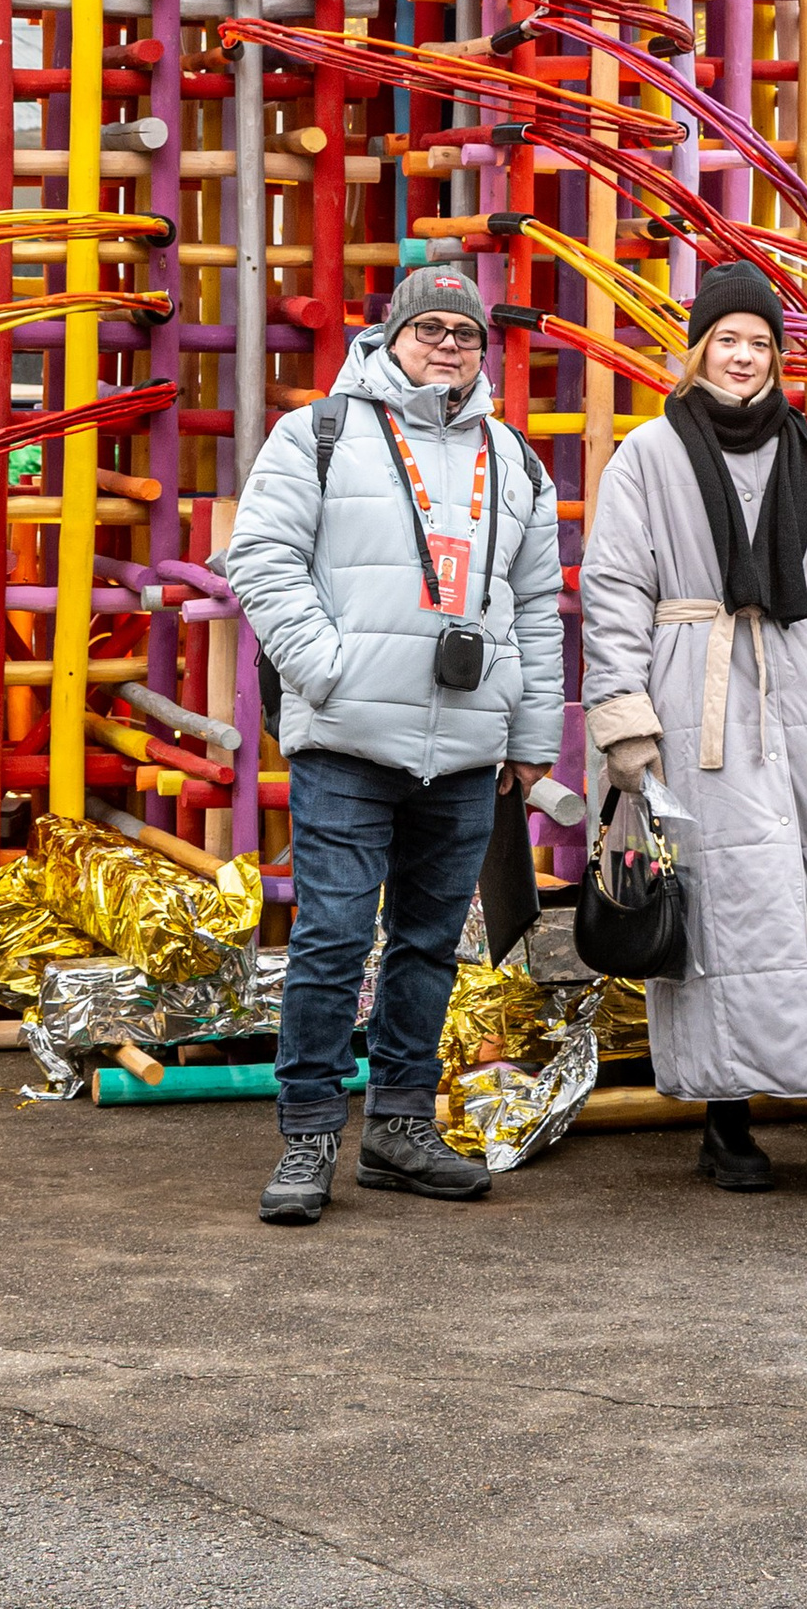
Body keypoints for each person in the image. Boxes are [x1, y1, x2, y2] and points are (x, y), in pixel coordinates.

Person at [222, 258, 565, 1227]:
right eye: (431, 331)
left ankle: (400, 1128)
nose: (447, 348)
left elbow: (537, 607)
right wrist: (326, 668)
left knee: (426, 945)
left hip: (463, 748)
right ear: (389, 336)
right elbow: (260, 556)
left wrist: (530, 732)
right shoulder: (320, 434)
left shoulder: (514, 460)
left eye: (465, 337)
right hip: (347, 739)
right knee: (332, 939)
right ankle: (308, 1136)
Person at [578, 259, 807, 1210]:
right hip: (694, 700)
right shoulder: (647, 455)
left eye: (761, 342)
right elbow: (614, 589)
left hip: (797, 698)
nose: (746, 357)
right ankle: (753, 1120)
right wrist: (625, 717)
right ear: (698, 351)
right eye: (730, 340)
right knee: (712, 912)